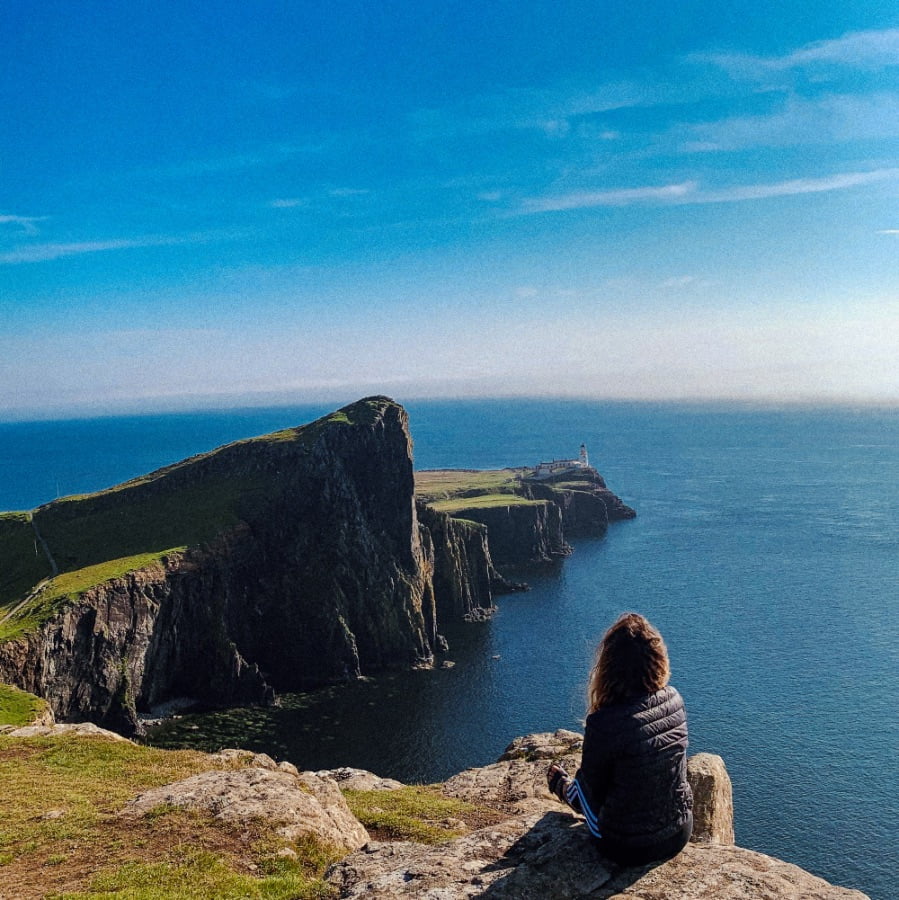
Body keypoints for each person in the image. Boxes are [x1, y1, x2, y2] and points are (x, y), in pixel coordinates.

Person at [546, 612, 693, 866]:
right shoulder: (675, 700)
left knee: (581, 788)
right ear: (657, 659)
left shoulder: (604, 723)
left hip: (626, 847)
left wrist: (562, 786)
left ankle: (561, 785)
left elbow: (590, 797)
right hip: (679, 832)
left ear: (608, 668)